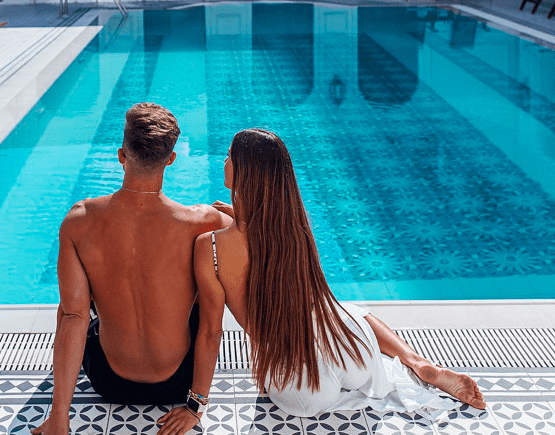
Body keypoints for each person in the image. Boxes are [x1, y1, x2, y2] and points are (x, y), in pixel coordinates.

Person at [157, 128, 486, 435]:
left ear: (243, 171)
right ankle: (420, 363)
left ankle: (417, 365)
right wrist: (236, 213)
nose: (224, 161)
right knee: (348, 309)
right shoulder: (295, 227)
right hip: (354, 351)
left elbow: (211, 332)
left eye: (229, 156)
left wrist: (195, 407)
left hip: (299, 388)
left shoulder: (210, 248)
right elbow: (259, 242)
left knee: (337, 316)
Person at [32, 103, 232, 435]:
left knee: (71, 308)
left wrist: (59, 417)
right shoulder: (203, 222)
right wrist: (238, 211)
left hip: (109, 382)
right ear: (171, 159)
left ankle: (58, 416)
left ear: (121, 155)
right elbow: (259, 232)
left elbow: (76, 318)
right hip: (179, 385)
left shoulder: (79, 220)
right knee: (201, 283)